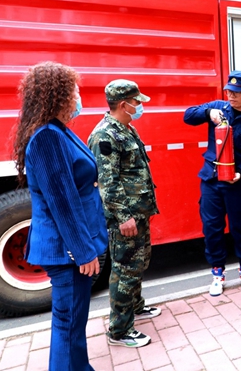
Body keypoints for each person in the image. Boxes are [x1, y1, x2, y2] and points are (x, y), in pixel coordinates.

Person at [13, 62, 108, 370]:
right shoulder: (47, 138)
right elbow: (62, 202)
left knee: (73, 323)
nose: (78, 97)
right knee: (68, 325)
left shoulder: (57, 131)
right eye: (74, 91)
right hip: (66, 251)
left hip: (70, 247)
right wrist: (82, 252)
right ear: (58, 95)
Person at [88, 79, 161, 348]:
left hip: (138, 211)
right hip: (126, 216)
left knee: (138, 262)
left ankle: (136, 306)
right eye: (136, 102)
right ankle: (119, 331)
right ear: (123, 104)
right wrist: (123, 217)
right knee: (125, 269)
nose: (139, 106)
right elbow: (108, 182)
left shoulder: (126, 129)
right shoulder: (105, 135)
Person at [184, 70, 241, 296]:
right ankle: (217, 274)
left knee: (240, 227)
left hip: (236, 183)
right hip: (211, 180)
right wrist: (208, 112)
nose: (231, 96)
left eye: (237, 92)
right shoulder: (218, 108)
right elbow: (188, 116)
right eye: (229, 91)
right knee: (212, 228)